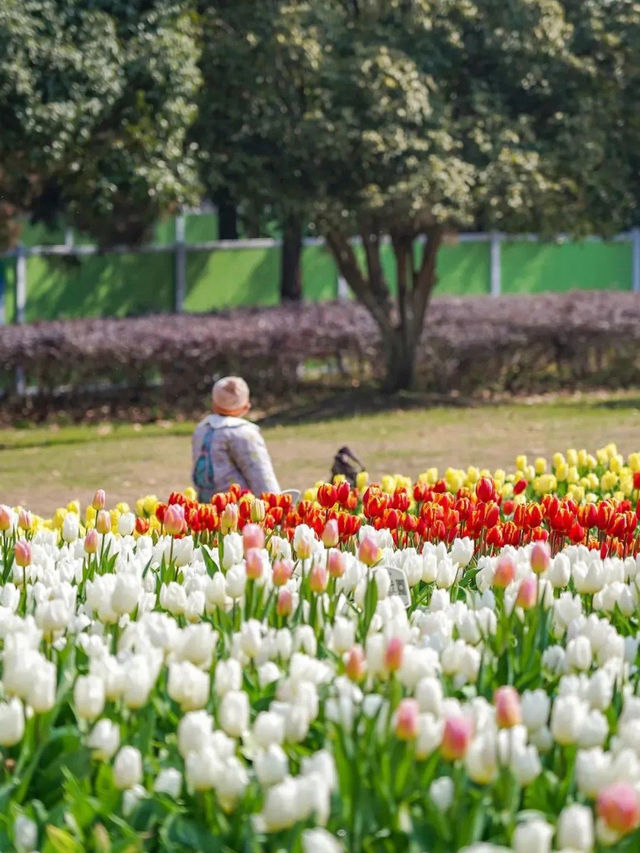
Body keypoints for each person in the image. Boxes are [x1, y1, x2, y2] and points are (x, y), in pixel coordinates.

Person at [191, 376, 280, 502]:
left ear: (213, 404)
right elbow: (260, 473)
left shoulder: (202, 428)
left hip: (207, 501)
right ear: (246, 406)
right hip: (236, 506)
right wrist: (275, 502)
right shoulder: (243, 432)